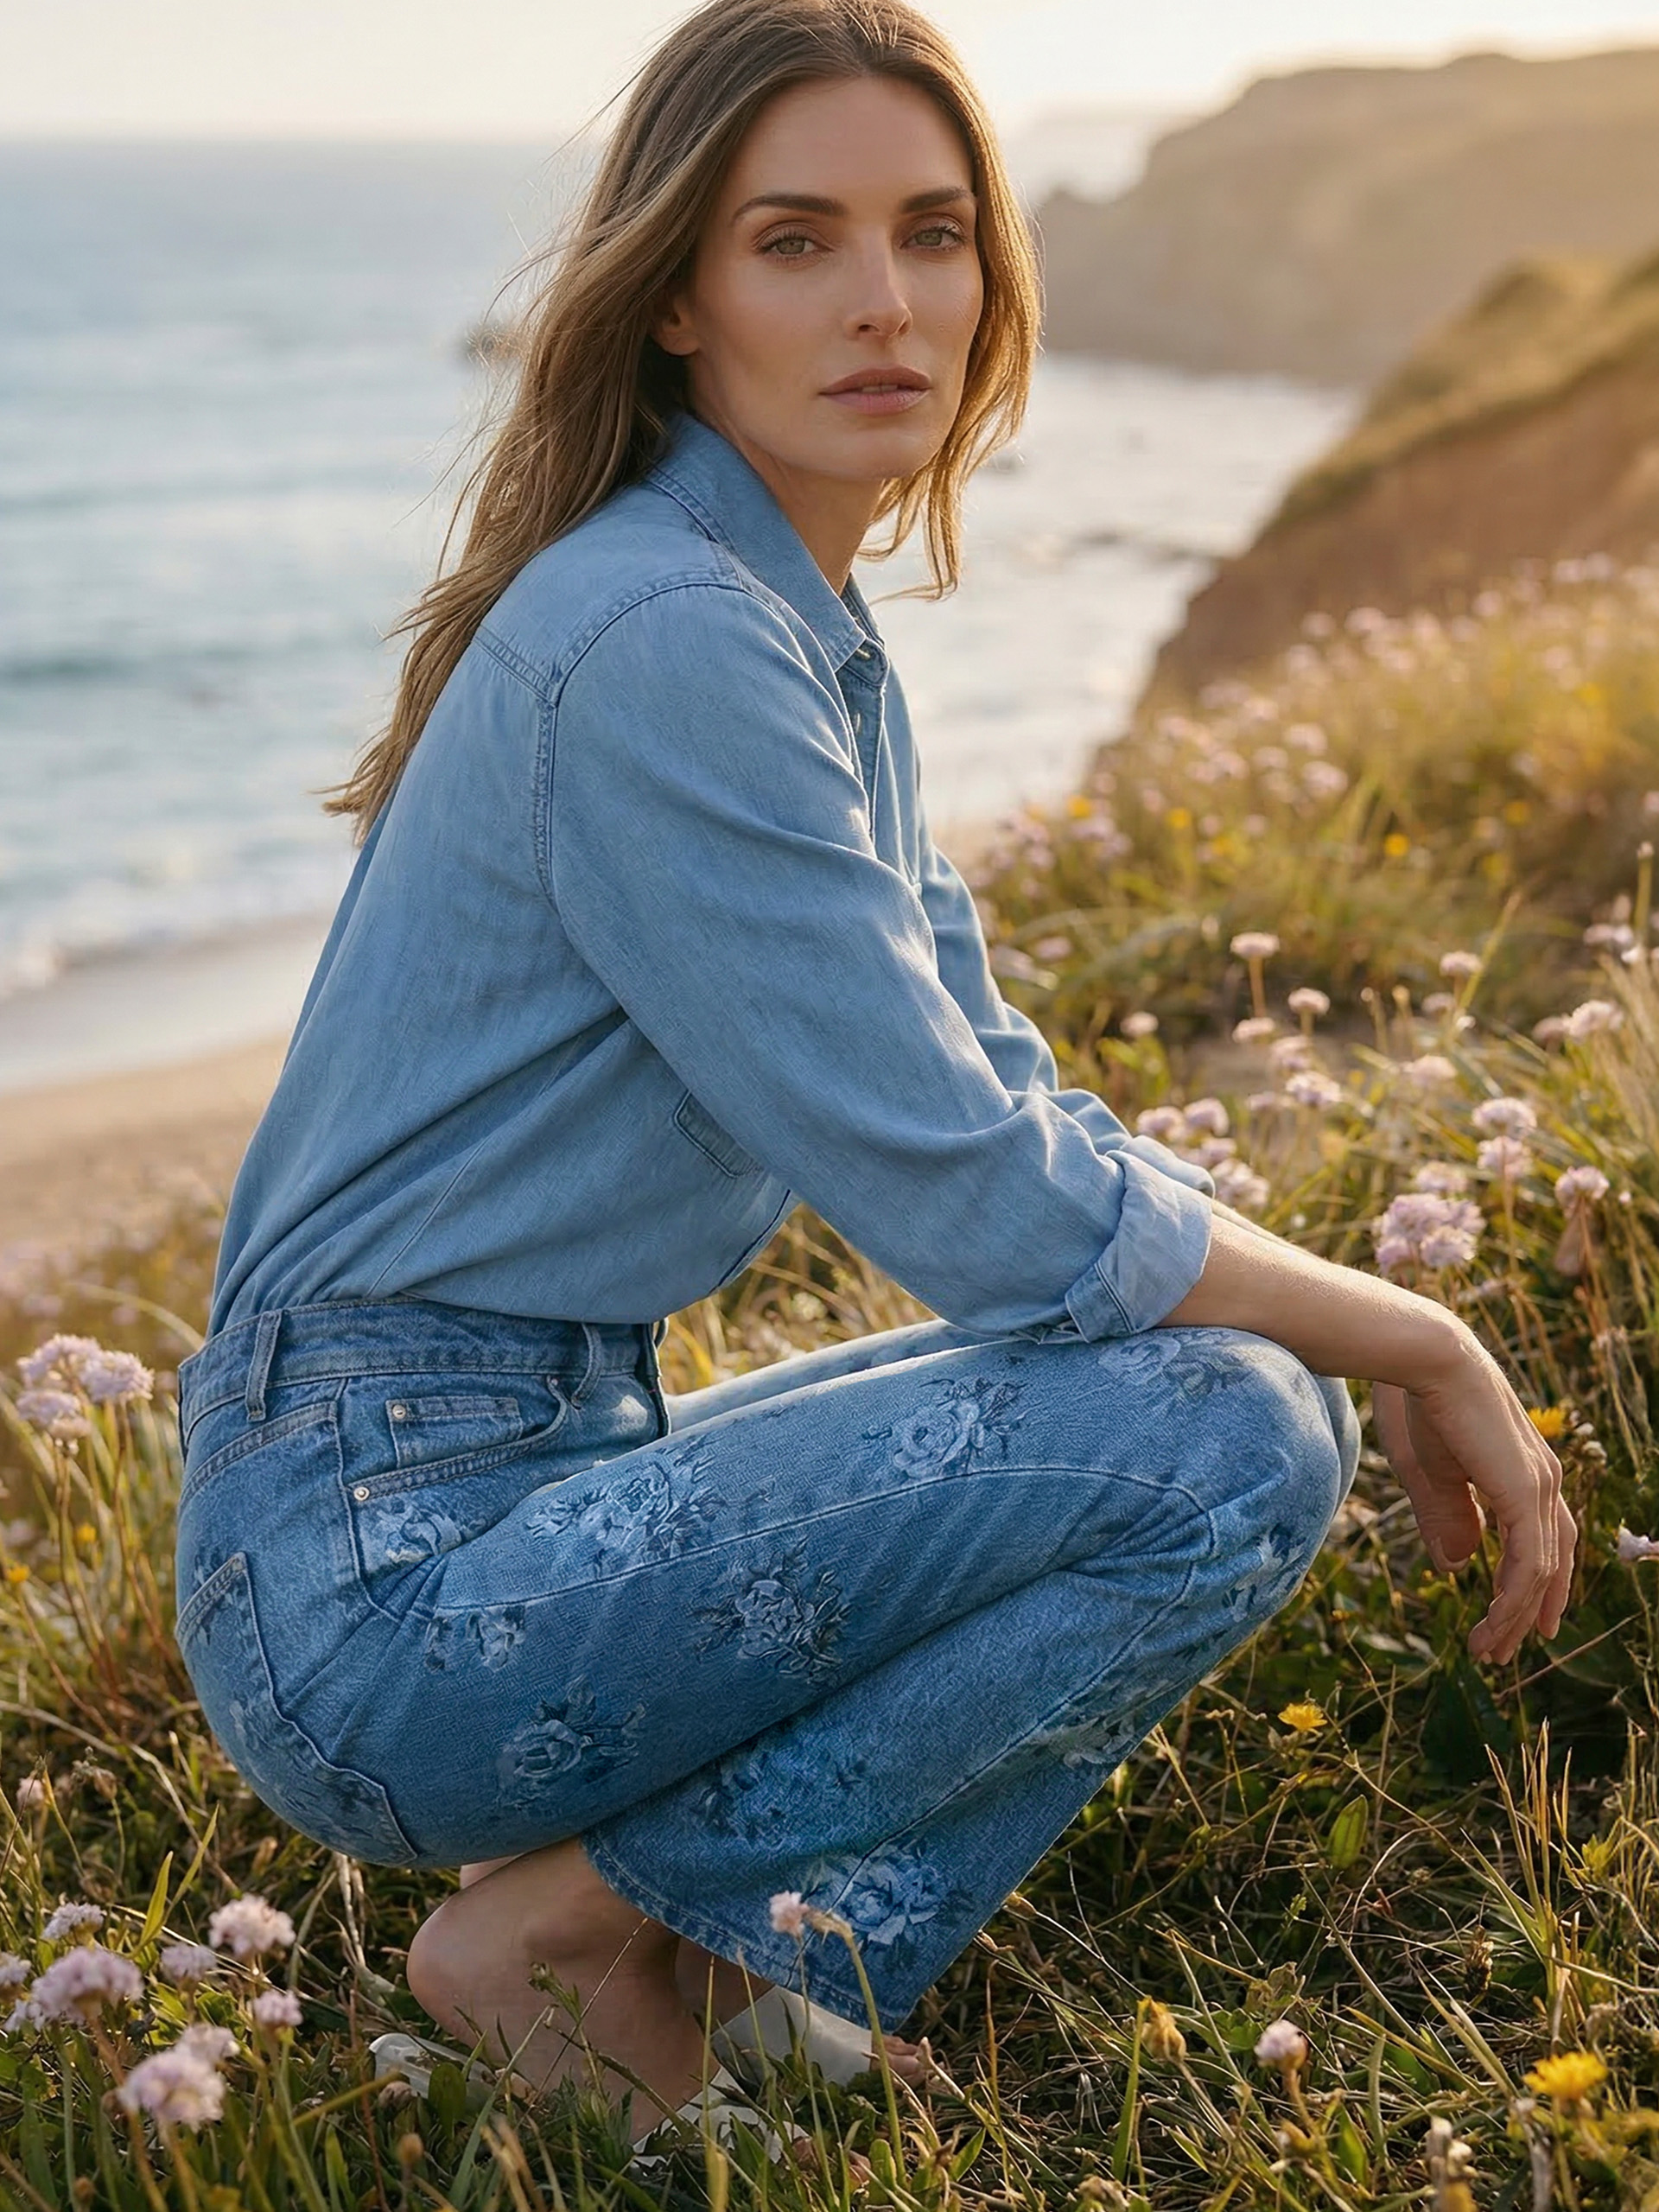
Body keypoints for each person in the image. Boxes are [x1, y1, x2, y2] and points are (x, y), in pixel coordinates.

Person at [171, 0, 1574, 2142]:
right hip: (383, 1580)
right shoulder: (666, 641)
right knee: (1225, 1432)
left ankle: (686, 1959)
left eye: (933, 235)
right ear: (675, 298)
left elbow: (1002, 1102)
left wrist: (1337, 1314)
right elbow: (989, 1211)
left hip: (498, 1479)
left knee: (1222, 1393)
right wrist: (1419, 1321)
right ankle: (574, 1940)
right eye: (798, 240)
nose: (887, 302)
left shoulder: (778, 619)